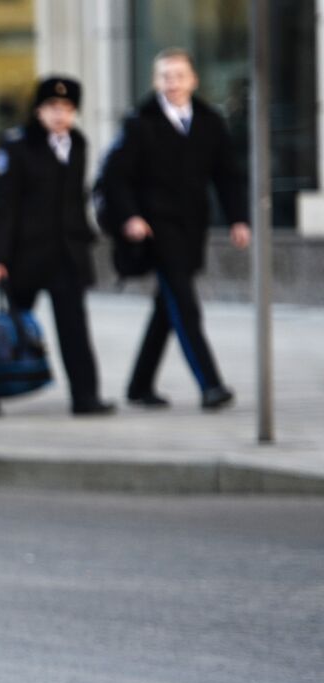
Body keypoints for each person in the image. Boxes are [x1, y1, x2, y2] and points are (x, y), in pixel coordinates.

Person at [96, 48, 250, 411]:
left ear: (193, 80)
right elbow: (114, 178)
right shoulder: (139, 123)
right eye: (166, 76)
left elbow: (227, 175)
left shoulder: (211, 121)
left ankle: (138, 385)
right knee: (184, 303)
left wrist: (238, 219)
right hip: (154, 229)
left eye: (180, 76)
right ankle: (210, 385)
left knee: (167, 309)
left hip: (192, 227)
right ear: (156, 81)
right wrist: (130, 217)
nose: (173, 83)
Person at [0, 76, 115, 417]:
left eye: (67, 109)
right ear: (39, 110)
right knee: (8, 327)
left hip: (67, 255)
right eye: (53, 108)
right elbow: (2, 207)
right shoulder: (16, 147)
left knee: (74, 328)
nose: (60, 115)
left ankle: (86, 397)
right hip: (24, 255)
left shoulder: (78, 144)